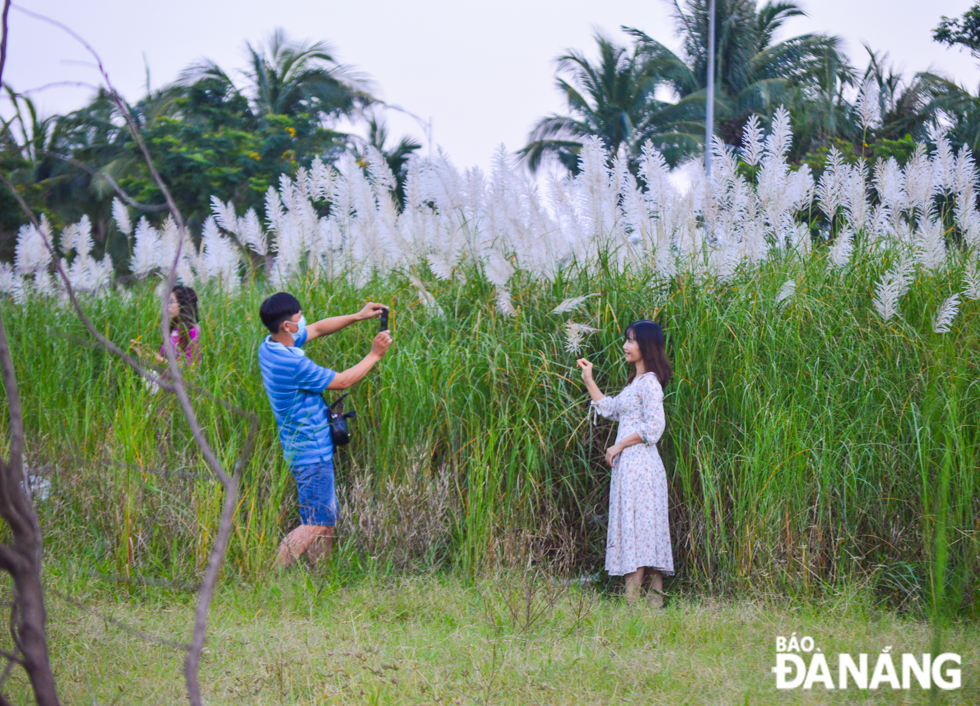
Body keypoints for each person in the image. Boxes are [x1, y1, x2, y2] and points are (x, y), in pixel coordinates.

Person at [258, 292, 391, 568]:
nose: (302, 318)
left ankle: (322, 583)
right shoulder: (292, 364)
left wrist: (358, 316)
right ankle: (266, 578)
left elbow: (317, 328)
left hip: (301, 448)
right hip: (311, 452)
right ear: (287, 326)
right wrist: (374, 355)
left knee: (325, 521)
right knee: (315, 524)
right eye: (298, 316)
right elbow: (342, 381)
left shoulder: (270, 346)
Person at [576, 320, 674, 606]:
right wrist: (589, 379)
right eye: (626, 340)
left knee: (640, 529)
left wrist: (619, 444)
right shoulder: (635, 383)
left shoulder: (651, 383)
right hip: (629, 467)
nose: (625, 346)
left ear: (647, 345)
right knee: (640, 527)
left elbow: (654, 428)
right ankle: (654, 603)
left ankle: (632, 603)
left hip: (642, 466)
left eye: (631, 341)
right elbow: (609, 409)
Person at [130, 285, 201, 369]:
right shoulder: (176, 329)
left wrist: (157, 358)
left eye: (171, 302)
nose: (167, 305)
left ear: (183, 304)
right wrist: (149, 354)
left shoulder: (194, 330)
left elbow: (191, 367)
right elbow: (166, 362)